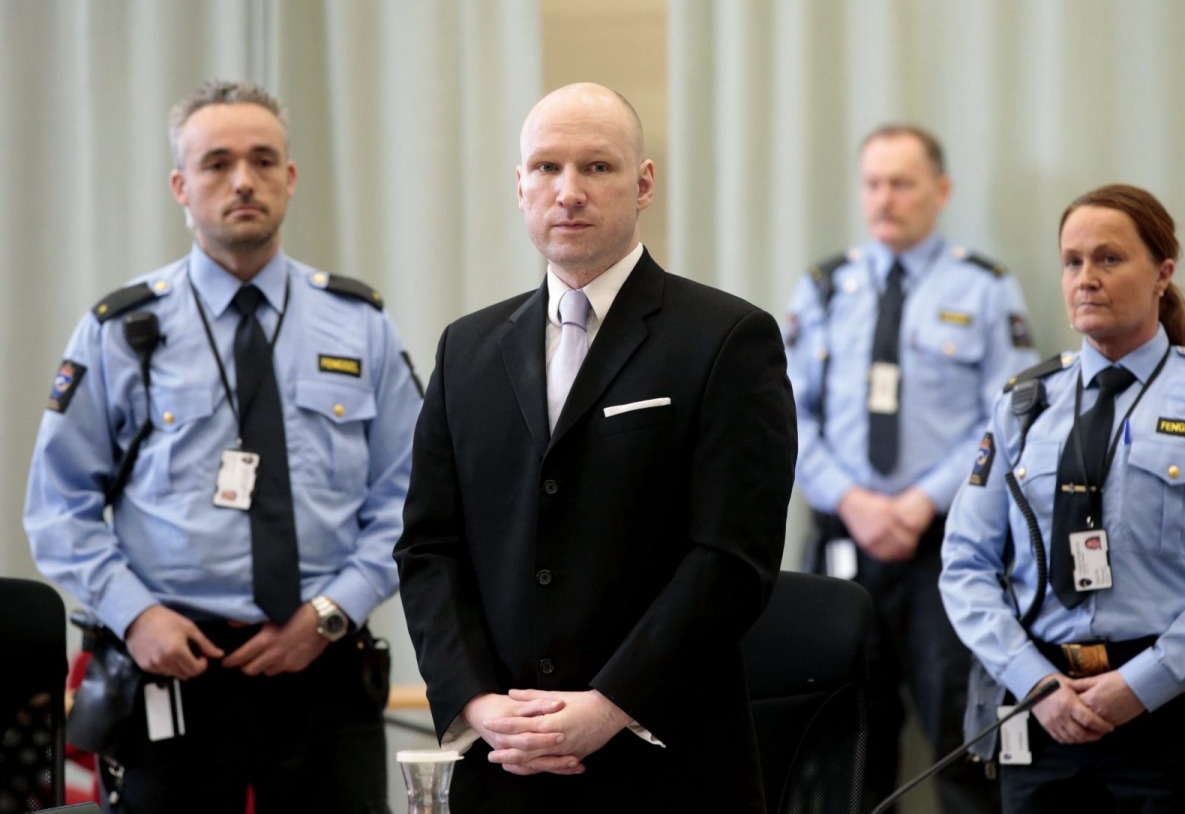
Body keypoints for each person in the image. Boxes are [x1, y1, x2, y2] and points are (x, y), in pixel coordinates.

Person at [395, 82, 797, 813]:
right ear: (519, 185)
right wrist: (480, 704)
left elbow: (731, 557)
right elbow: (429, 548)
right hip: (505, 764)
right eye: (546, 168)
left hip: (663, 763)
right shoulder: (467, 350)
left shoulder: (726, 339)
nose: (568, 192)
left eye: (597, 168)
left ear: (643, 184)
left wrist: (609, 705)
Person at [24, 80, 423, 813]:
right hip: (172, 668)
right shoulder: (121, 330)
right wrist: (136, 615)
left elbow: (412, 495)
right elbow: (58, 505)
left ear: (291, 178)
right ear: (181, 185)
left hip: (322, 664)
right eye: (216, 163)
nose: (243, 180)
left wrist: (333, 612)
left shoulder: (359, 325)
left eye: (264, 160)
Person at [785, 124, 1038, 811]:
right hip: (845, 544)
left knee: (959, 736)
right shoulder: (825, 288)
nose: (885, 198)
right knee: (840, 741)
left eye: (902, 183)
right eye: (873, 183)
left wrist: (921, 502)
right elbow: (786, 415)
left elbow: (1008, 416)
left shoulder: (984, 288)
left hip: (947, 549)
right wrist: (855, 501)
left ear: (941, 191)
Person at [941, 183, 1185, 812]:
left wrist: (1144, 684)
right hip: (1043, 707)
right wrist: (1036, 683)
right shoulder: (1025, 404)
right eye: (1072, 261)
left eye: (1109, 259)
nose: (1086, 278)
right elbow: (966, 566)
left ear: (1163, 272)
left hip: (1170, 713)